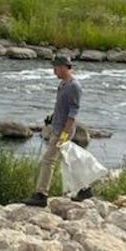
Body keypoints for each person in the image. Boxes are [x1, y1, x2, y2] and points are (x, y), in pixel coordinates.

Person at [23, 54, 85, 207]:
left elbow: (73, 112)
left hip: (63, 131)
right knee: (69, 161)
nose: (54, 71)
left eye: (56, 68)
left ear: (64, 67)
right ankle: (85, 189)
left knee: (48, 161)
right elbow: (62, 107)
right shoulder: (63, 84)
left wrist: (64, 133)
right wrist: (52, 117)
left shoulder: (74, 86)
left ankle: (41, 194)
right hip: (58, 127)